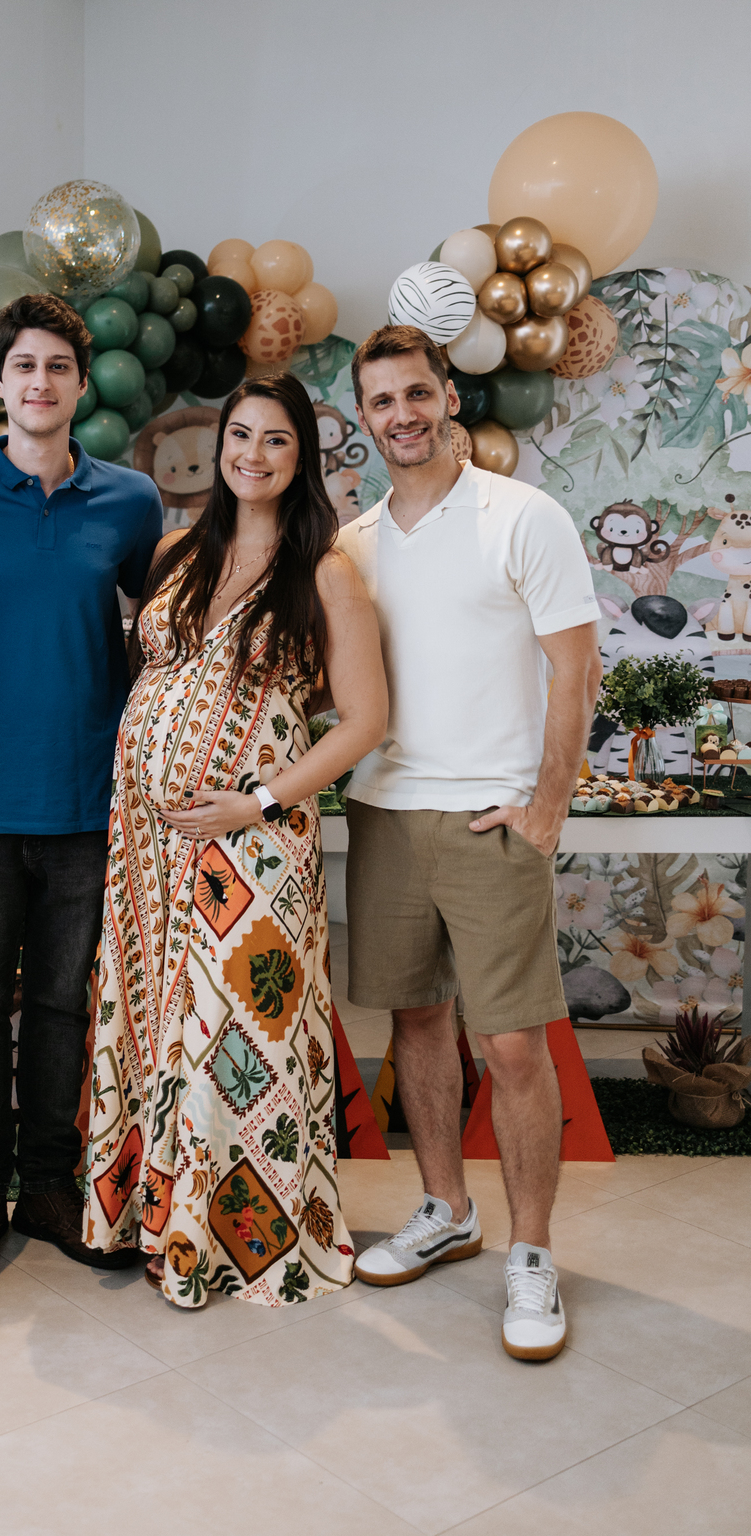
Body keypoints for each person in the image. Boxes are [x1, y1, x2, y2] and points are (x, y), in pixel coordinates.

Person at [83, 374, 388, 1308]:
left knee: (234, 1028)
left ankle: (230, 1238)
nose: (252, 455)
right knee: (155, 1012)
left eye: (276, 442)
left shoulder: (326, 570)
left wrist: (253, 799)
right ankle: (151, 1216)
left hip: (255, 843)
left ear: (305, 458)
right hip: (147, 841)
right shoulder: (179, 549)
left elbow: (363, 721)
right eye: (240, 436)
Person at [338, 324, 602, 1362]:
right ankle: (445, 1208)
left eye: (415, 393)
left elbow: (574, 672)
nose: (400, 414)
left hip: (491, 819)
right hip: (387, 810)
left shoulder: (523, 516)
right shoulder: (356, 542)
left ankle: (531, 1254)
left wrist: (548, 805)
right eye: (380, 402)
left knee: (512, 1045)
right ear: (363, 418)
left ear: (447, 395)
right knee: (416, 1025)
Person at [0, 293, 162, 1282]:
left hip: (84, 802)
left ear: (80, 382)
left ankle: (48, 1188)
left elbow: (155, 632)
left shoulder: (131, 502)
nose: (42, 383)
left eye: (59, 367)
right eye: (26, 368)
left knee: (62, 1005)